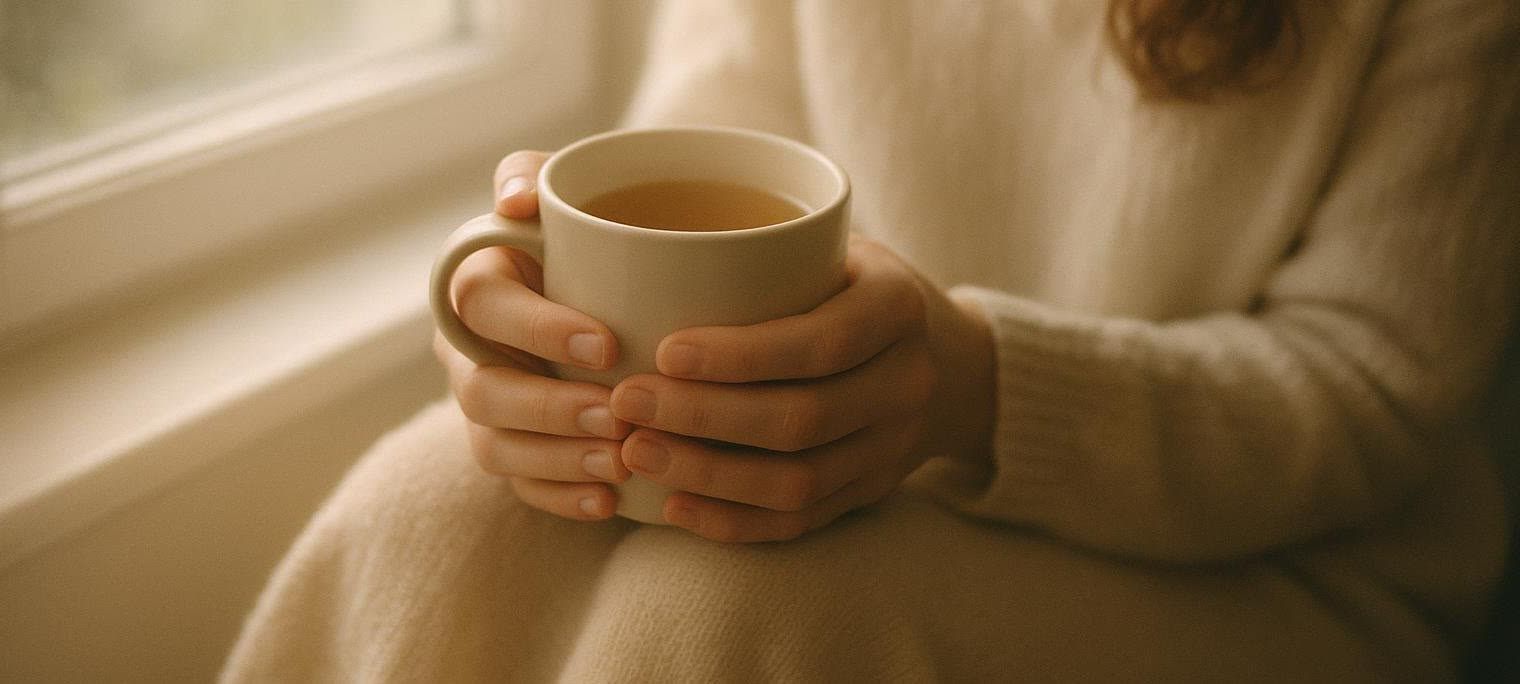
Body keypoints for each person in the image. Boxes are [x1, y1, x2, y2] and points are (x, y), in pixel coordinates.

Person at [221, 0, 1519, 680]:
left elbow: (1373, 389)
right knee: (427, 509)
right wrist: (537, 339)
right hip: (860, 475)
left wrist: (977, 392)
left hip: (1292, 569)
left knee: (716, 624)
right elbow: (704, 144)